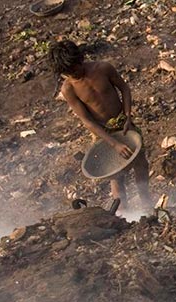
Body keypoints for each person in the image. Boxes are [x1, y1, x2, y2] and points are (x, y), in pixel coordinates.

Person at [49, 40, 153, 211]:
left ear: (80, 59)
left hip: (124, 124)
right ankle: (123, 213)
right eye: (68, 73)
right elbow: (87, 120)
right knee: (116, 174)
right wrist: (114, 143)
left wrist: (127, 116)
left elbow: (124, 89)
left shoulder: (103, 69)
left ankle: (146, 202)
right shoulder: (69, 89)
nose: (73, 74)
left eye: (74, 69)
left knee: (140, 162)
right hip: (103, 132)